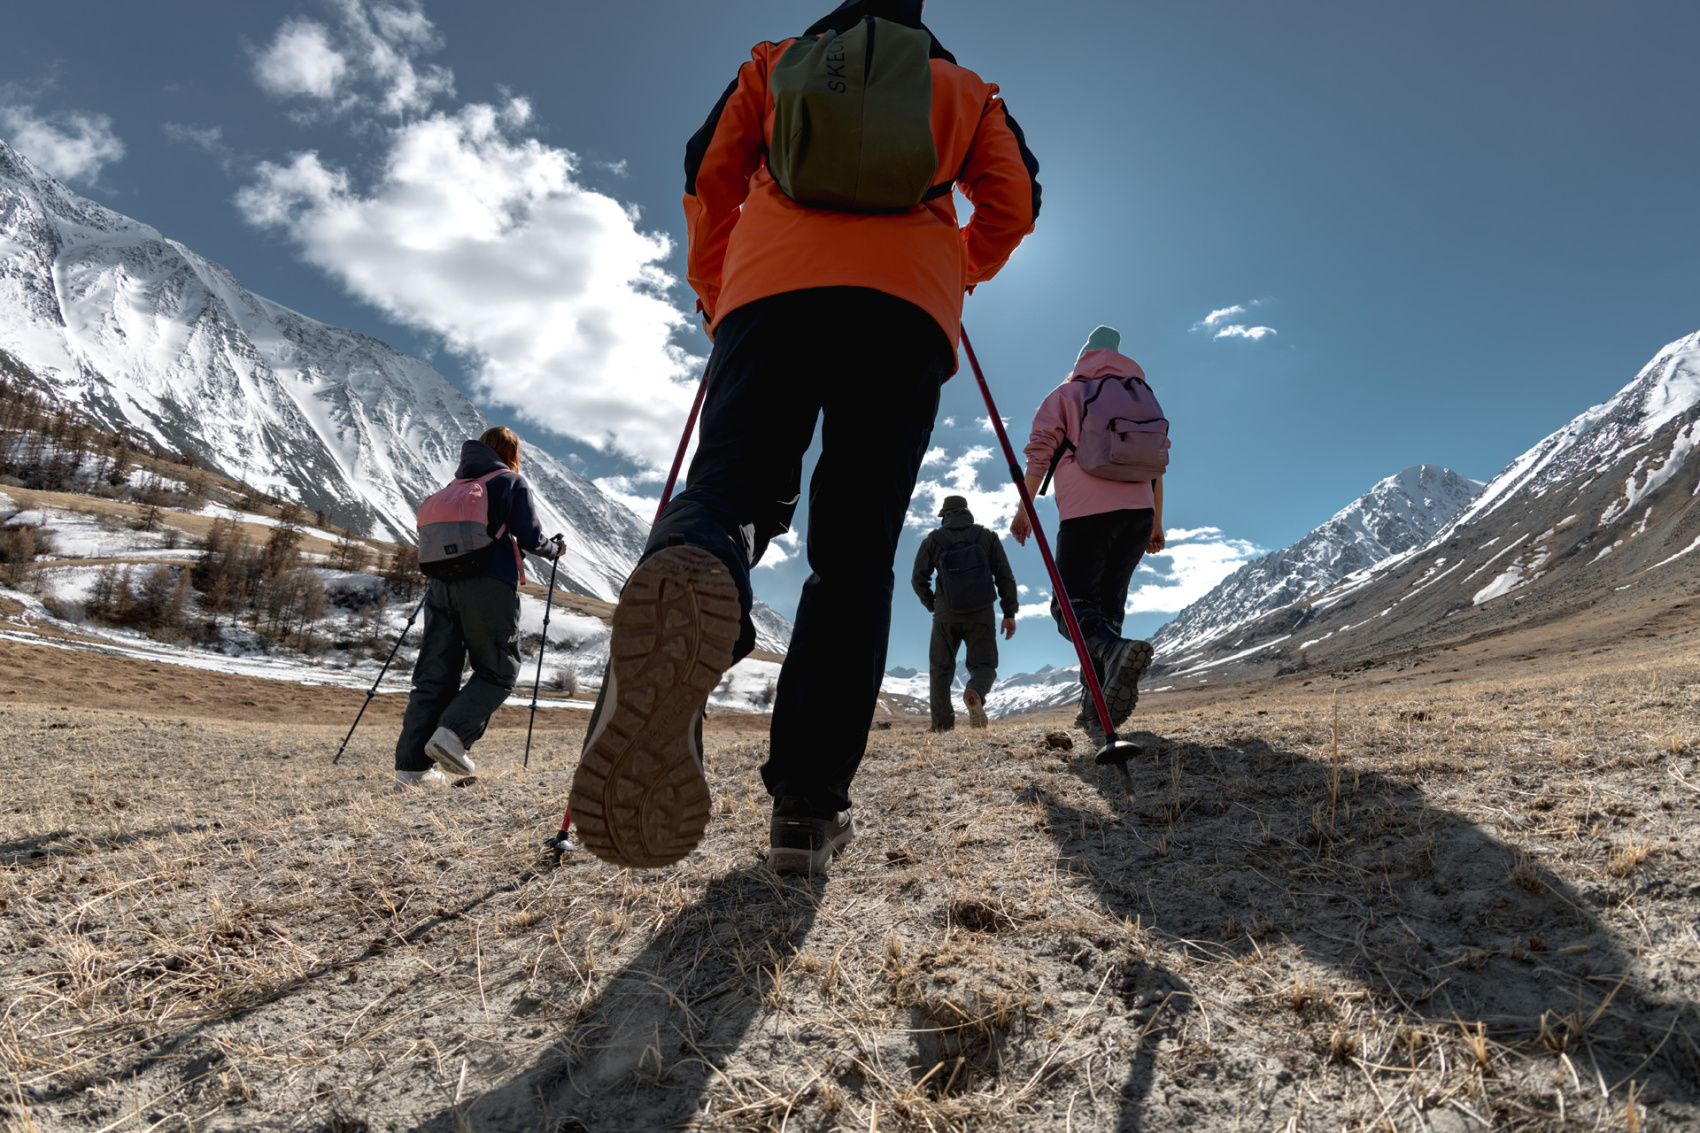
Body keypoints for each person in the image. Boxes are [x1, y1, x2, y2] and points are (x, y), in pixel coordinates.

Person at [568, 0, 1040, 873]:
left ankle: (706, 558)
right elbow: (1015, 204)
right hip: (904, 317)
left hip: (770, 294)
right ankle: (806, 812)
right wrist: (949, 268)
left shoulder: (774, 62)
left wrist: (719, 291)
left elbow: (707, 170)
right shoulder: (970, 92)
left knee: (733, 490)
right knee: (854, 556)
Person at [1012, 326, 1164, 745]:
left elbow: (1040, 453)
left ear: (1082, 357)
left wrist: (1025, 509)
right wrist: (1155, 523)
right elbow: (1157, 463)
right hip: (1137, 515)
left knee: (1070, 606)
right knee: (1107, 611)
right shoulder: (1141, 395)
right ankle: (1095, 708)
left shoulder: (1067, 394)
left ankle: (1114, 656)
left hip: (1087, 515)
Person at [394, 427, 563, 789]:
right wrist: (555, 549)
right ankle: (452, 736)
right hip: (488, 585)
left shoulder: (452, 488)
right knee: (499, 669)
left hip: (441, 585)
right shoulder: (509, 482)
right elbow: (532, 538)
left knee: (434, 674)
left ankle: (412, 770)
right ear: (510, 453)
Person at [911, 495, 1018, 731]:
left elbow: (918, 579)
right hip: (981, 614)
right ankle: (976, 691)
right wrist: (1009, 611)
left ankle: (941, 727)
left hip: (945, 615)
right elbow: (1005, 576)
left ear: (945, 515)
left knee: (940, 670)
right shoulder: (986, 536)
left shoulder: (933, 540)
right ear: (966, 512)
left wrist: (933, 604)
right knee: (984, 665)